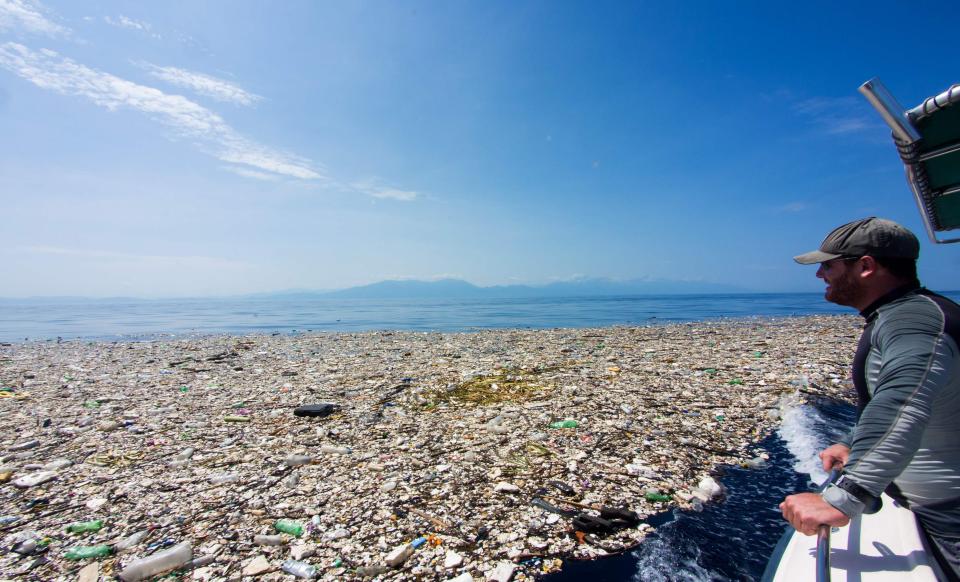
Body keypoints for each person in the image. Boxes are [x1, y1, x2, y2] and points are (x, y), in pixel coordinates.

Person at [779, 217, 960, 581]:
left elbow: (903, 403)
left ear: (865, 266)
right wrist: (852, 441)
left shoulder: (913, 321)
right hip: (926, 506)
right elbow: (897, 397)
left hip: (949, 518)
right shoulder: (903, 314)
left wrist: (843, 497)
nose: (819, 275)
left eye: (828, 265)